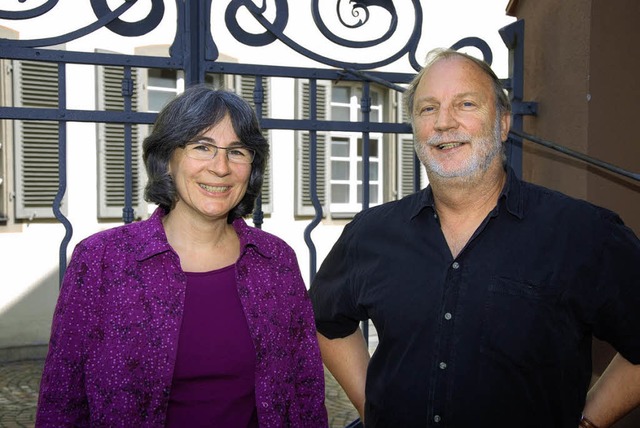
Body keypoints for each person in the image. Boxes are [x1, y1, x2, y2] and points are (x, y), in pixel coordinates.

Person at [309, 48, 640, 428]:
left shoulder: (583, 233)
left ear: (502, 123)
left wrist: (589, 421)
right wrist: (374, 406)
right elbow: (324, 321)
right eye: (428, 108)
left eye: (465, 104)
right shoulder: (369, 234)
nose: (444, 123)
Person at [36, 85, 328, 427]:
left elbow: (305, 390)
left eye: (237, 151)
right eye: (202, 147)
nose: (221, 167)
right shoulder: (101, 260)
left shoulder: (275, 261)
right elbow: (63, 399)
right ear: (167, 159)